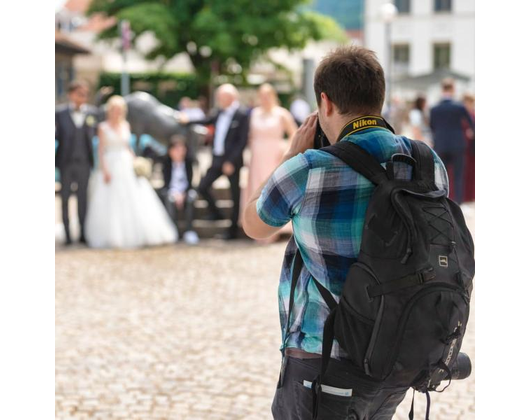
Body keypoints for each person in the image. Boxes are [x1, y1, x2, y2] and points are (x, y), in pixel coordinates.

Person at [242, 46, 449, 420]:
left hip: (324, 356)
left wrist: (290, 157)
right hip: (399, 353)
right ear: (379, 99)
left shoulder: (309, 168)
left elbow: (253, 224)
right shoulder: (425, 161)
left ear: (325, 102)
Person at [85, 96, 177, 249]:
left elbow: (128, 147)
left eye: (119, 110)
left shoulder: (126, 125)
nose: (117, 113)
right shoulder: (103, 127)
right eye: (114, 110)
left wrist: (136, 162)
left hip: (126, 162)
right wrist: (104, 170)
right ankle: (114, 235)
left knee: (137, 197)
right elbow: (101, 151)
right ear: (110, 111)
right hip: (111, 163)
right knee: (112, 199)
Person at [189, 84, 250, 241]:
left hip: (232, 162)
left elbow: (241, 141)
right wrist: (186, 119)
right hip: (217, 159)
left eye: (220, 97)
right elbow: (205, 120)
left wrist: (230, 161)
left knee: (235, 195)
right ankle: (217, 213)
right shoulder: (218, 113)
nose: (218, 100)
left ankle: (232, 232)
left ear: (230, 98)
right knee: (202, 186)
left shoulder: (242, 114)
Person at [242, 84, 299, 244]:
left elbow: (294, 133)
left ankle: (275, 227)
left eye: (267, 96)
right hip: (257, 157)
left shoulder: (281, 114)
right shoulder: (254, 113)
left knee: (273, 189)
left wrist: (286, 150)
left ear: (273, 96)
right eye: (262, 96)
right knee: (256, 189)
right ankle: (256, 227)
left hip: (274, 156)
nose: (265, 99)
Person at [55, 81, 99, 245]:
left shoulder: (92, 113)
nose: (83, 97)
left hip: (84, 163)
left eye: (85, 94)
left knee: (83, 199)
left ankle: (83, 233)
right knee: (65, 198)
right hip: (65, 162)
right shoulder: (59, 113)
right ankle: (67, 235)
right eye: (80, 93)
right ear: (71, 94)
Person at [430, 79, 475, 204]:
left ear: (442, 89)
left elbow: (432, 126)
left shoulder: (434, 108)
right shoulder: (459, 107)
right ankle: (458, 205)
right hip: (458, 145)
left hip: (441, 145)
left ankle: (442, 203)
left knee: (442, 177)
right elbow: (472, 125)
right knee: (458, 176)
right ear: (453, 89)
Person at [161, 136, 200, 245]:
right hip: (172, 191)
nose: (180, 152)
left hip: (186, 191)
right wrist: (175, 193)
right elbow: (166, 184)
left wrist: (183, 194)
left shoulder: (189, 163)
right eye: (177, 149)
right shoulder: (166, 163)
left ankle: (189, 230)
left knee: (191, 198)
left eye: (182, 149)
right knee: (169, 199)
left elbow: (192, 182)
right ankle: (173, 230)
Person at [463, 93, 476, 203]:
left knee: (471, 171)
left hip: (471, 147)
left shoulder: (472, 115)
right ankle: (465, 196)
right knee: (464, 171)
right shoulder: (461, 115)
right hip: (463, 147)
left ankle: (471, 195)